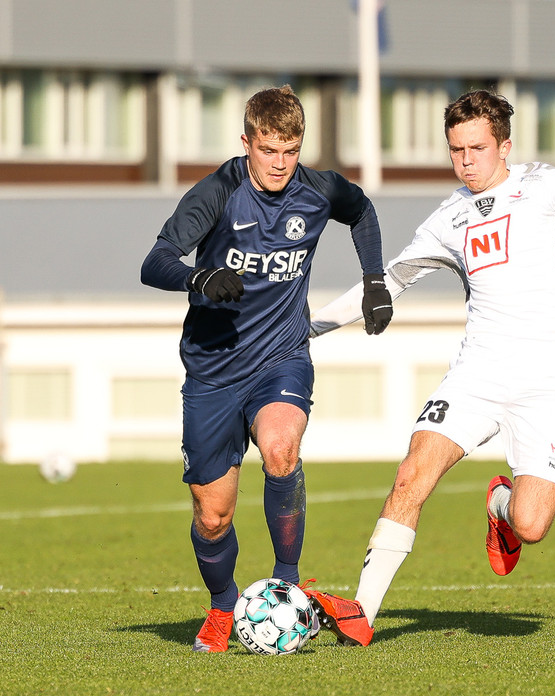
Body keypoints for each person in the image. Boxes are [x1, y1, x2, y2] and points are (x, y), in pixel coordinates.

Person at [302, 89, 555, 646]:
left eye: (477, 148)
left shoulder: (545, 186)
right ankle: (362, 613)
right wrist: (307, 328)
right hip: (478, 371)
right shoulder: (448, 218)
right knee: (413, 473)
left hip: (550, 379)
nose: (466, 161)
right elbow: (389, 282)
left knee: (532, 525)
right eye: (456, 150)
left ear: (504, 146)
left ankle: (501, 506)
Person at [140, 85, 393, 652]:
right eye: (268, 149)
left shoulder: (318, 189)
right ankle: (222, 604)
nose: (280, 163)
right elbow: (154, 262)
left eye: (291, 150)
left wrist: (374, 281)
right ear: (246, 142)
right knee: (213, 516)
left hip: (282, 357)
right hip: (212, 370)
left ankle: (287, 583)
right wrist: (199, 278)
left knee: (282, 449)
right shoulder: (217, 193)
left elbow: (362, 211)